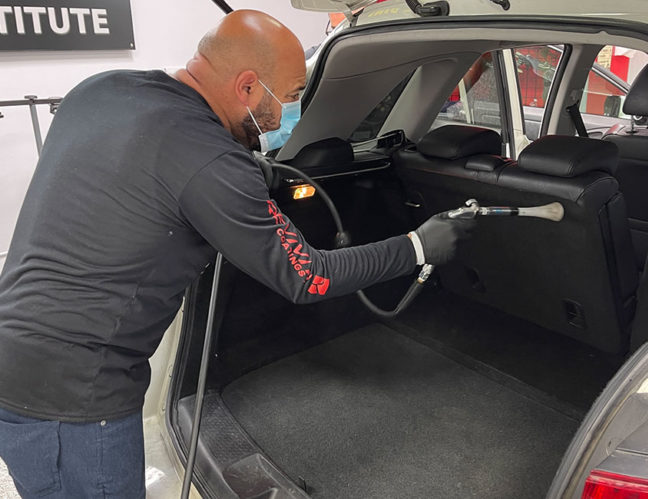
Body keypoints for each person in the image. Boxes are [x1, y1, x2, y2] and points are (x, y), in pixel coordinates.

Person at [0, 10, 474, 498]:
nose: (285, 111)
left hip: (17, 350)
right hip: (73, 397)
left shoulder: (101, 89)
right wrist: (417, 245)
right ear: (248, 87)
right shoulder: (211, 160)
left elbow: (147, 166)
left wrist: (243, 171)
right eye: (288, 96)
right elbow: (307, 277)